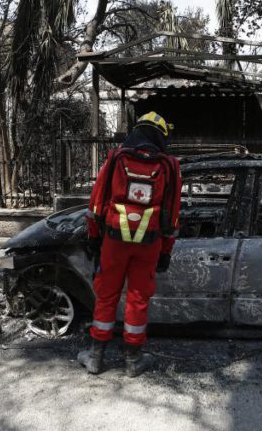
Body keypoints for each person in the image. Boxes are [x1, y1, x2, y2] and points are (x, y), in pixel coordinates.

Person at [78, 112, 182, 377]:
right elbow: (172, 213)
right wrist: (166, 252)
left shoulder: (116, 158)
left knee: (107, 294)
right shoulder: (169, 165)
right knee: (138, 297)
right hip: (149, 243)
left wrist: (93, 237)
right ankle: (133, 361)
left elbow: (96, 203)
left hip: (114, 241)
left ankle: (95, 357)